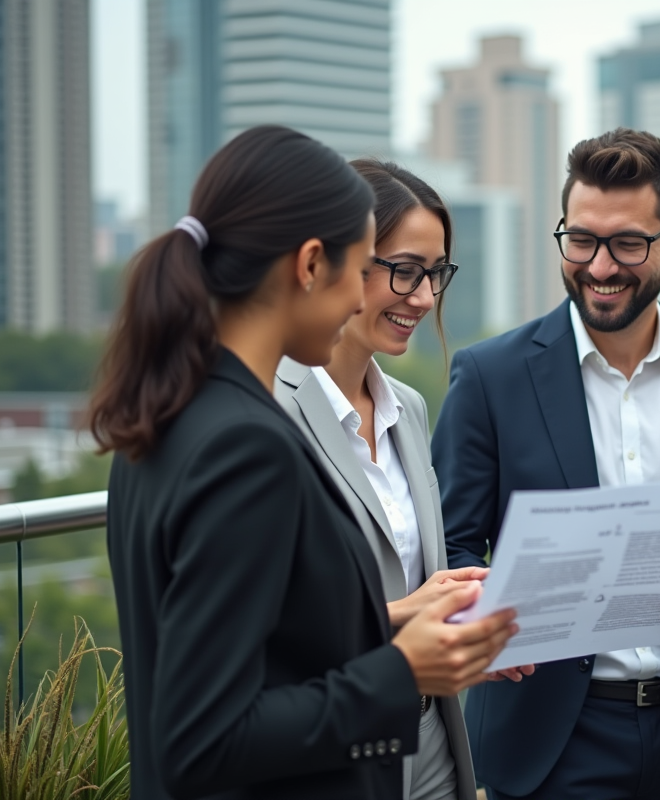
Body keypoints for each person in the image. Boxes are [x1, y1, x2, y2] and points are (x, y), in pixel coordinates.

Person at [91, 126, 517, 800]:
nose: (359, 300)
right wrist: (402, 673)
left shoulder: (166, 415)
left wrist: (407, 626)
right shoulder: (246, 447)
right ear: (311, 264)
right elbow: (203, 738)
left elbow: (263, 648)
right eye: (363, 268)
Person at [431, 128, 660, 800]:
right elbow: (453, 547)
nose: (601, 265)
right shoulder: (488, 375)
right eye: (581, 240)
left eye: (627, 244)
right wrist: (485, 618)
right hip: (547, 741)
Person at [274, 158, 513, 800]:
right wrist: (409, 617)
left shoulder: (409, 408)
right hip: (333, 752)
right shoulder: (269, 412)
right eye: (405, 271)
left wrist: (474, 628)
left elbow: (418, 577)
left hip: (431, 742)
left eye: (436, 274)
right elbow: (268, 627)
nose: (425, 297)